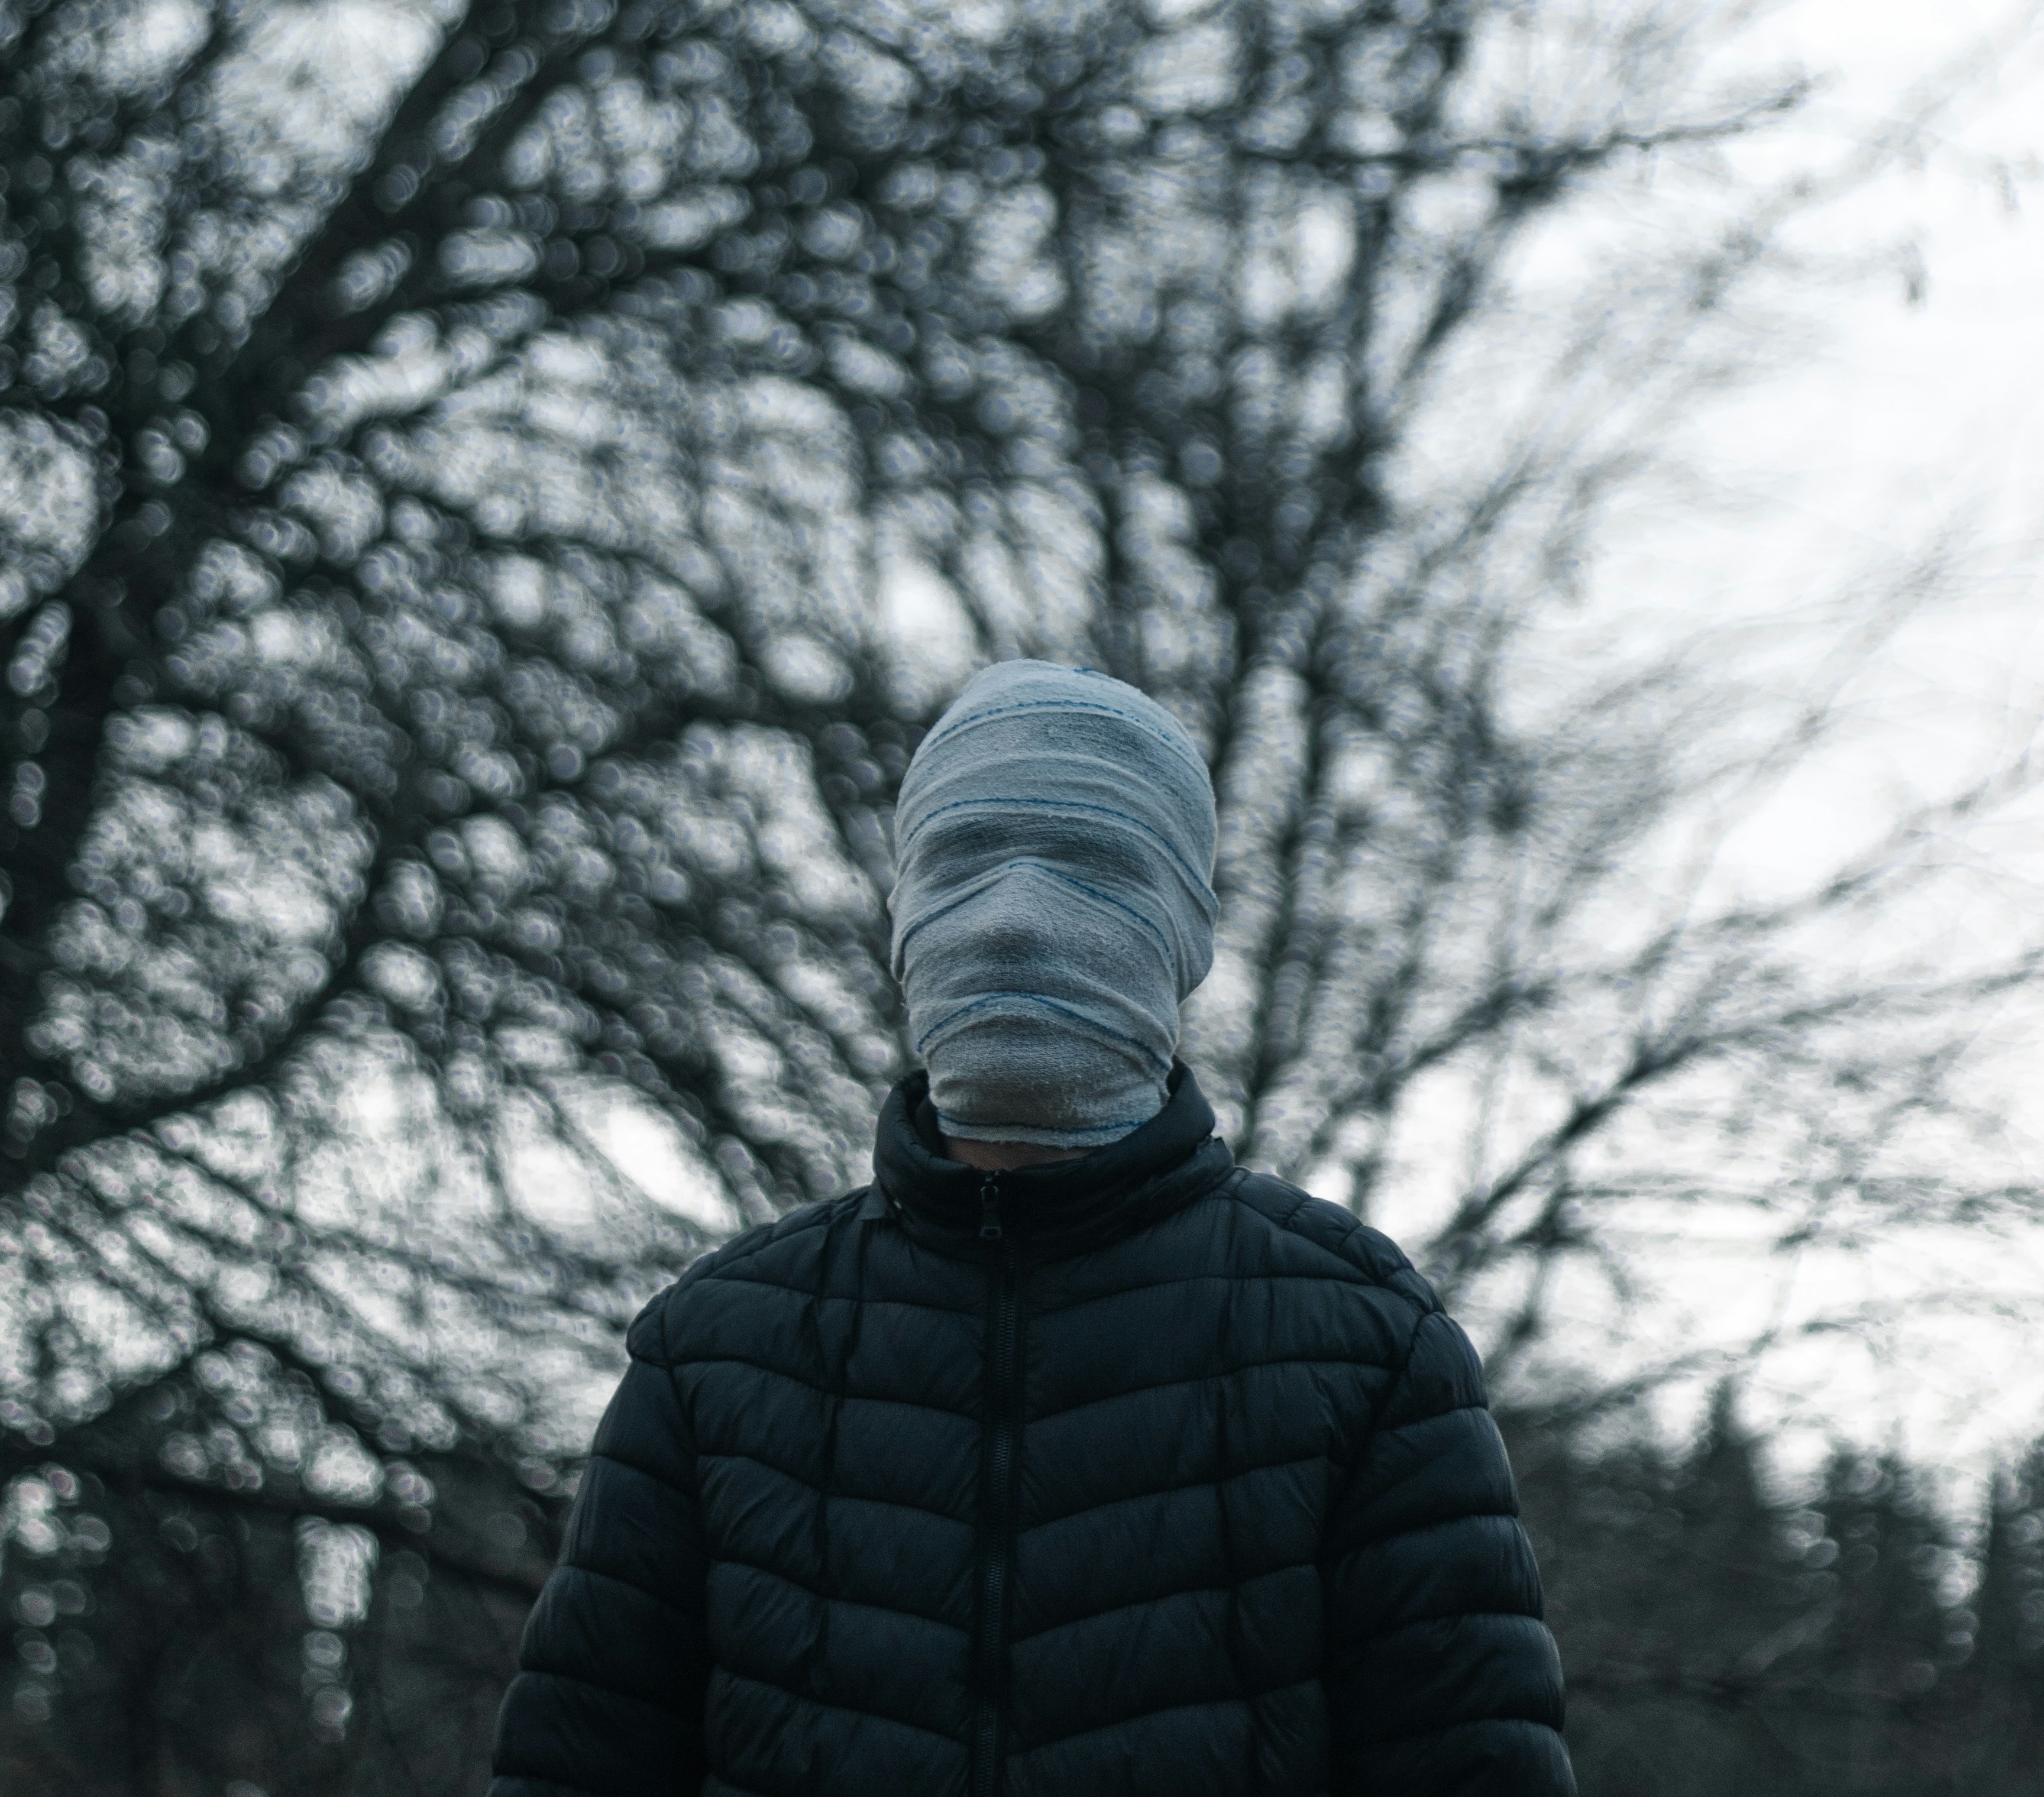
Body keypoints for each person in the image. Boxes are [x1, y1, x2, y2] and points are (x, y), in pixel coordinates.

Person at [489, 660, 1574, 1796]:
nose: (1012, 922)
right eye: (963, 862)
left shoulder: (1360, 1343)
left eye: (1090, 868)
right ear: (901, 916)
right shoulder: (713, 1355)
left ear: (1186, 931)